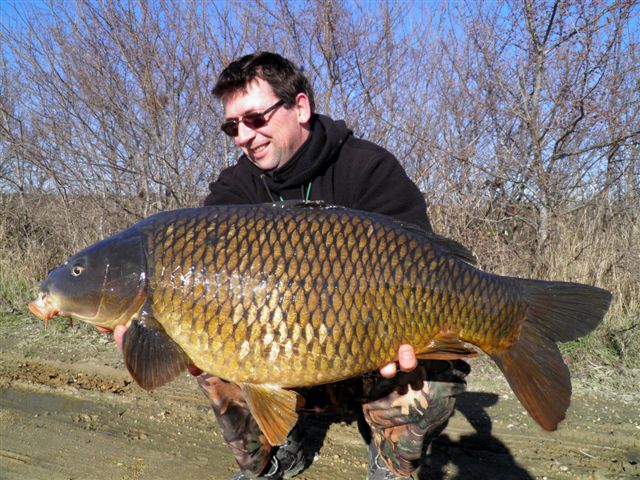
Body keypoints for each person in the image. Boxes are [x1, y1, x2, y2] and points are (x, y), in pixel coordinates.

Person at [114, 52, 468, 480]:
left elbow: (430, 269)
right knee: (204, 343)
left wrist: (412, 336)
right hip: (280, 349)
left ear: (300, 107)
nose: (244, 136)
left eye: (255, 119)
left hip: (367, 352)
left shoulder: (368, 169)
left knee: (434, 372)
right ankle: (272, 456)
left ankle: (393, 461)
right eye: (232, 126)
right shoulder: (234, 191)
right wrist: (147, 333)